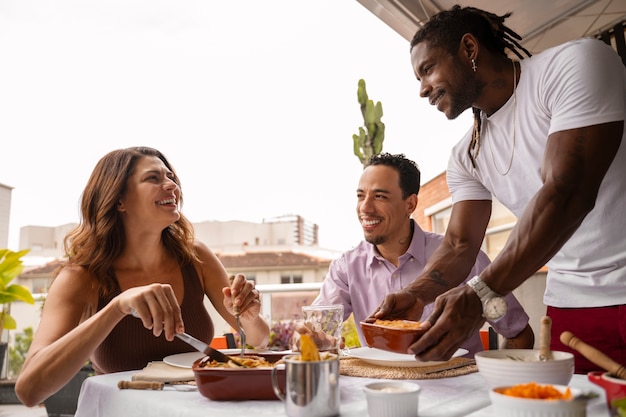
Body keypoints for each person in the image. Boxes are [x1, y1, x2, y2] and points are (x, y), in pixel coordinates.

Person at [371, 5, 625, 373]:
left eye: (427, 69)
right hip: (570, 310)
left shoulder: (576, 63)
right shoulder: (466, 155)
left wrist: (481, 293)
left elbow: (568, 191)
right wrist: (418, 292)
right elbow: (459, 245)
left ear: (469, 49)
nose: (423, 89)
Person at [15, 146, 270, 407]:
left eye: (171, 177)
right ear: (119, 200)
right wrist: (117, 306)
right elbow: (29, 391)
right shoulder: (80, 278)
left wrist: (249, 317)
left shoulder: (197, 258)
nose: (171, 185)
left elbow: (259, 340)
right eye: (153, 178)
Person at [298, 152, 534, 356]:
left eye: (379, 196)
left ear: (410, 204)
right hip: (382, 396)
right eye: (361, 196)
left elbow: (518, 333)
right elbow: (317, 330)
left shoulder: (465, 259)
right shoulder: (346, 268)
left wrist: (494, 386)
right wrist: (312, 339)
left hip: (459, 397)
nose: (365, 208)